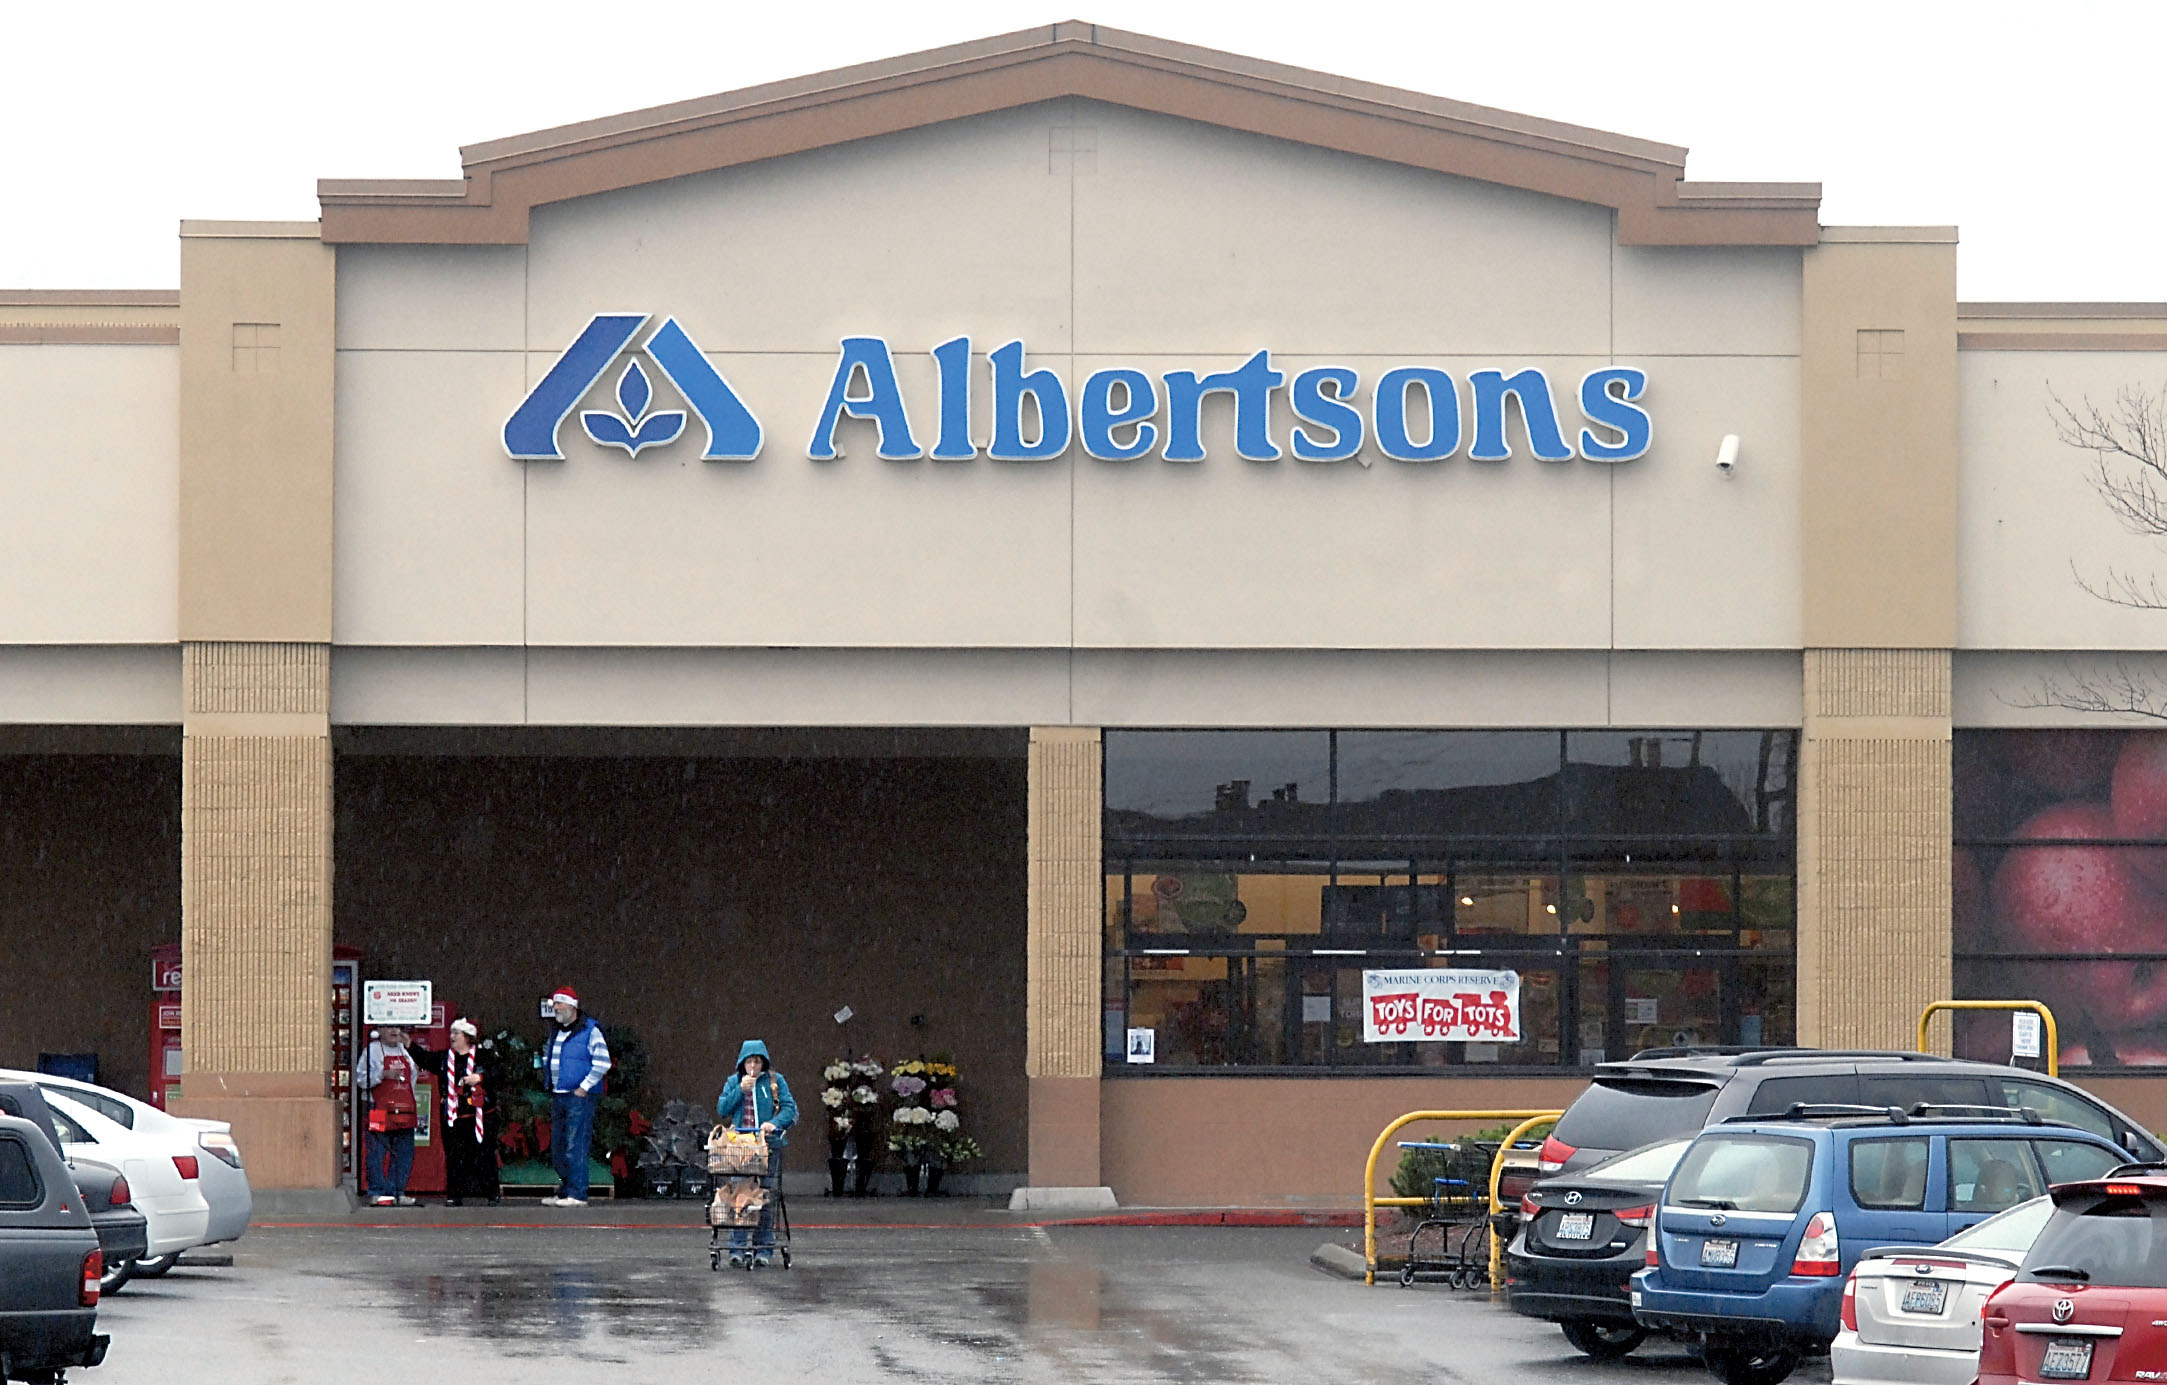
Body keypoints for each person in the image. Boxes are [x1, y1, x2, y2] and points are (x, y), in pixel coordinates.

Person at [715, 1039, 797, 1268]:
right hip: (741, 1147)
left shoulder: (775, 1081)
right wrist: (739, 1092)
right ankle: (737, 1248)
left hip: (767, 1146)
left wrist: (774, 1123)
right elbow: (723, 1109)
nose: (754, 1066)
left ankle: (764, 1248)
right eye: (750, 1061)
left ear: (764, 1063)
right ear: (742, 1063)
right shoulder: (733, 1082)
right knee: (740, 1195)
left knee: (766, 1197)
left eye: (758, 1061)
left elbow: (790, 1108)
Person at [542, 987, 611, 1208]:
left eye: (559, 1004)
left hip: (578, 1097)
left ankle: (578, 1193)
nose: (556, 1008)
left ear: (572, 1006)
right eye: (555, 1004)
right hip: (559, 1094)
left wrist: (584, 1087)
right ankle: (567, 1190)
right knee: (559, 1146)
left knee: (576, 1145)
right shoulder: (556, 1031)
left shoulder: (590, 1031)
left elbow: (603, 1062)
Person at [424, 1018, 499, 1206]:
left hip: (481, 1115)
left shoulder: (485, 1057)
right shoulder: (444, 1058)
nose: (452, 1037)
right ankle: (454, 1195)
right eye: (451, 1033)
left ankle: (492, 1193)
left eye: (456, 1033)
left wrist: (480, 1077)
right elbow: (425, 1059)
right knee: (454, 1156)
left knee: (484, 1154)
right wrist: (408, 1044)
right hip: (453, 1114)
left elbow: (500, 1074)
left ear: (467, 1037)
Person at [357, 1024, 422, 1207]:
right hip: (377, 1109)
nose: (394, 1032)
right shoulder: (372, 1051)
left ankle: (397, 1192)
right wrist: (382, 1074)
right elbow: (361, 1079)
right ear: (380, 1030)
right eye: (389, 1028)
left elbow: (413, 1078)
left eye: (397, 1028)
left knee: (404, 1152)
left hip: (404, 1110)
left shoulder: (405, 1050)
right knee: (377, 1151)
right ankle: (378, 1192)